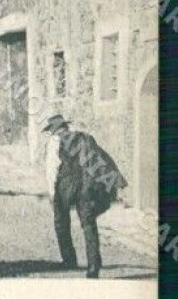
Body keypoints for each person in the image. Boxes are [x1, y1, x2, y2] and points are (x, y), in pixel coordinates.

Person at [43, 113, 127, 279]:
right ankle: (93, 266)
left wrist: (52, 194)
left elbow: (52, 170)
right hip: (88, 186)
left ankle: (69, 259)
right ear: (66, 126)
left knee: (61, 221)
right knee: (89, 225)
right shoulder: (85, 138)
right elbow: (103, 160)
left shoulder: (54, 143)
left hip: (66, 186)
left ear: (53, 131)